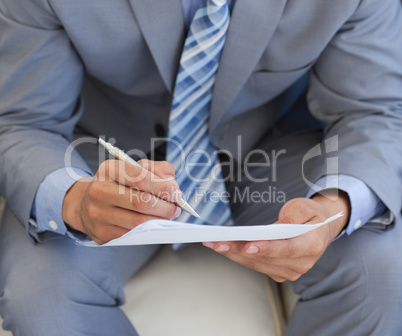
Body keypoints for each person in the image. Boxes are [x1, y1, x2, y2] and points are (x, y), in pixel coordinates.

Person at [0, 0, 401, 335]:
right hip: (105, 161)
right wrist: (74, 201)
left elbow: (375, 110)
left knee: (382, 273)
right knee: (42, 296)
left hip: (273, 149)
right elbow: (23, 121)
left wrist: (336, 206)